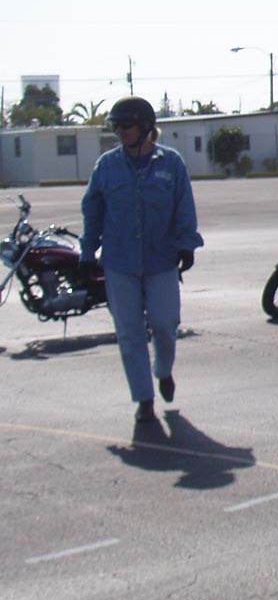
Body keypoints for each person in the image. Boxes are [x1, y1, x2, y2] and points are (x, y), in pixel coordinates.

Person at [80, 95, 203, 423]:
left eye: (127, 125)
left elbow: (184, 206)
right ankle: (144, 398)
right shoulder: (107, 165)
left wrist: (186, 245)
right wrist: (87, 252)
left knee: (165, 323)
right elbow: (92, 210)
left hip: (161, 260)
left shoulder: (171, 163)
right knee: (129, 332)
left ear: (147, 127)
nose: (120, 132)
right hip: (119, 262)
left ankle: (163, 370)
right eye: (116, 127)